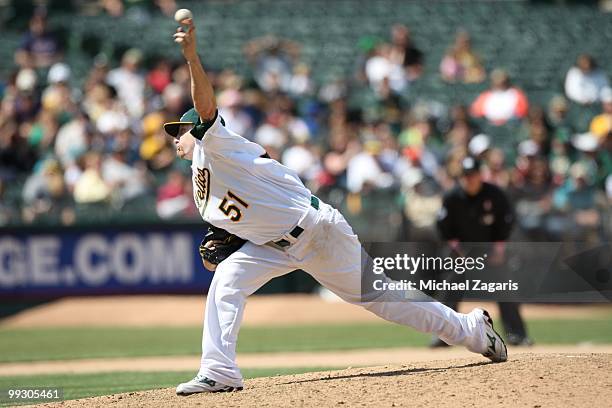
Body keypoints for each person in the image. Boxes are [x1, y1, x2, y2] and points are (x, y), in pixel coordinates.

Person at [166, 18, 507, 395]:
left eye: (180, 130)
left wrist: (191, 58)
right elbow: (232, 225)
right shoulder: (202, 184)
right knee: (227, 280)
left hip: (318, 231)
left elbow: (206, 105)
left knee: (384, 300)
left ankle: (471, 330)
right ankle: (220, 370)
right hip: (276, 246)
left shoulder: (216, 145)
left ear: (197, 131)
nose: (175, 138)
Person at [436, 156, 532, 347]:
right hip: (461, 253)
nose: (469, 179)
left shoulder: (495, 194)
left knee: (505, 288)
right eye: (465, 175)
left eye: (472, 175)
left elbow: (506, 222)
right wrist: (457, 249)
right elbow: (443, 226)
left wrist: (498, 248)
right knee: (450, 288)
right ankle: (442, 337)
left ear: (480, 175)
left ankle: (517, 334)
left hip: (490, 251)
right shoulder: (452, 197)